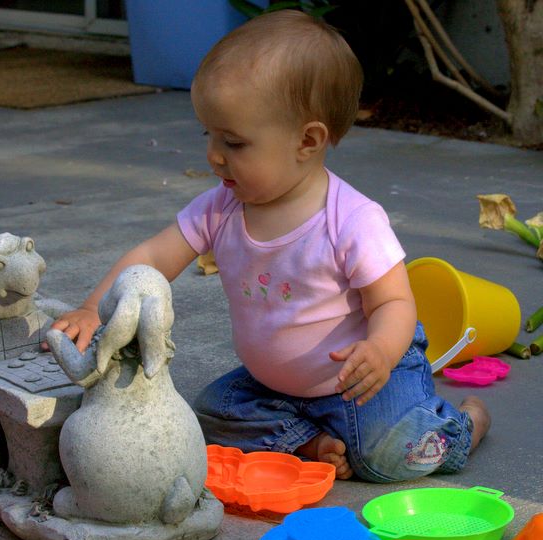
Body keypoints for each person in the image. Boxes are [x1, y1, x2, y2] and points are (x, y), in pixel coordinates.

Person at [47, 10, 490, 482]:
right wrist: (94, 308)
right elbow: (153, 259)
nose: (213, 155)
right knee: (205, 414)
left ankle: (464, 425)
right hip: (274, 388)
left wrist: (380, 350)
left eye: (234, 143)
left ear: (307, 140)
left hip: (362, 381)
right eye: (209, 134)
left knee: (390, 454)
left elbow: (394, 302)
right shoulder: (220, 208)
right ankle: (310, 441)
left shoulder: (351, 220)